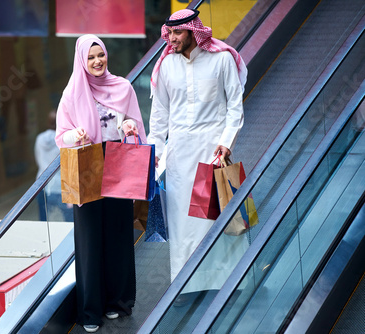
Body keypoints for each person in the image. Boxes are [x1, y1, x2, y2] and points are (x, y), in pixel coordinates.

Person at [148, 9, 249, 303]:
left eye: (178, 33)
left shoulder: (222, 59)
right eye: (169, 33)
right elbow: (160, 115)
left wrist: (227, 142)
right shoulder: (165, 65)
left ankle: (228, 282)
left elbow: (234, 108)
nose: (172, 38)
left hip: (213, 152)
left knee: (216, 217)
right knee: (182, 222)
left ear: (194, 31)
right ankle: (185, 285)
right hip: (179, 155)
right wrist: (155, 149)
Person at [55, 34, 147, 333]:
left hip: (118, 160)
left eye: (101, 55)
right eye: (91, 57)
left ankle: (118, 303)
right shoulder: (72, 94)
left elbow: (131, 122)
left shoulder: (122, 87)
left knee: (119, 233)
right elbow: (62, 136)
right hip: (88, 163)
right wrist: (76, 134)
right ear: (82, 60)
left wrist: (129, 125)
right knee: (89, 238)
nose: (97, 61)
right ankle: (90, 311)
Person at [34, 109, 73, 222]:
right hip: (61, 186)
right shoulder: (64, 140)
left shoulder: (39, 139)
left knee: (44, 219)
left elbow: (38, 157)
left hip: (42, 184)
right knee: (69, 221)